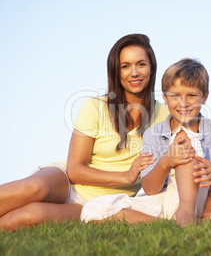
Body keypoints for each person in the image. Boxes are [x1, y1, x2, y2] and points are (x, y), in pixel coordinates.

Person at [0, 34, 169, 231]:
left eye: (141, 64)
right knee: (33, 188)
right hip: (67, 181)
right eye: (125, 66)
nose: (134, 73)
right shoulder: (94, 106)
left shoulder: (166, 115)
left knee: (29, 216)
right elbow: (75, 169)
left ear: (151, 68)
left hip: (98, 205)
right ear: (116, 71)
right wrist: (127, 176)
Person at [80, 58, 211, 226]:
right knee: (92, 210)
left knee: (185, 151)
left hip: (201, 198)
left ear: (204, 97)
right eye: (175, 96)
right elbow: (150, 189)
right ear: (164, 97)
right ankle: (168, 223)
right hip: (164, 200)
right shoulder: (153, 134)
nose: (183, 103)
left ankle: (186, 213)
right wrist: (165, 162)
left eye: (192, 95)